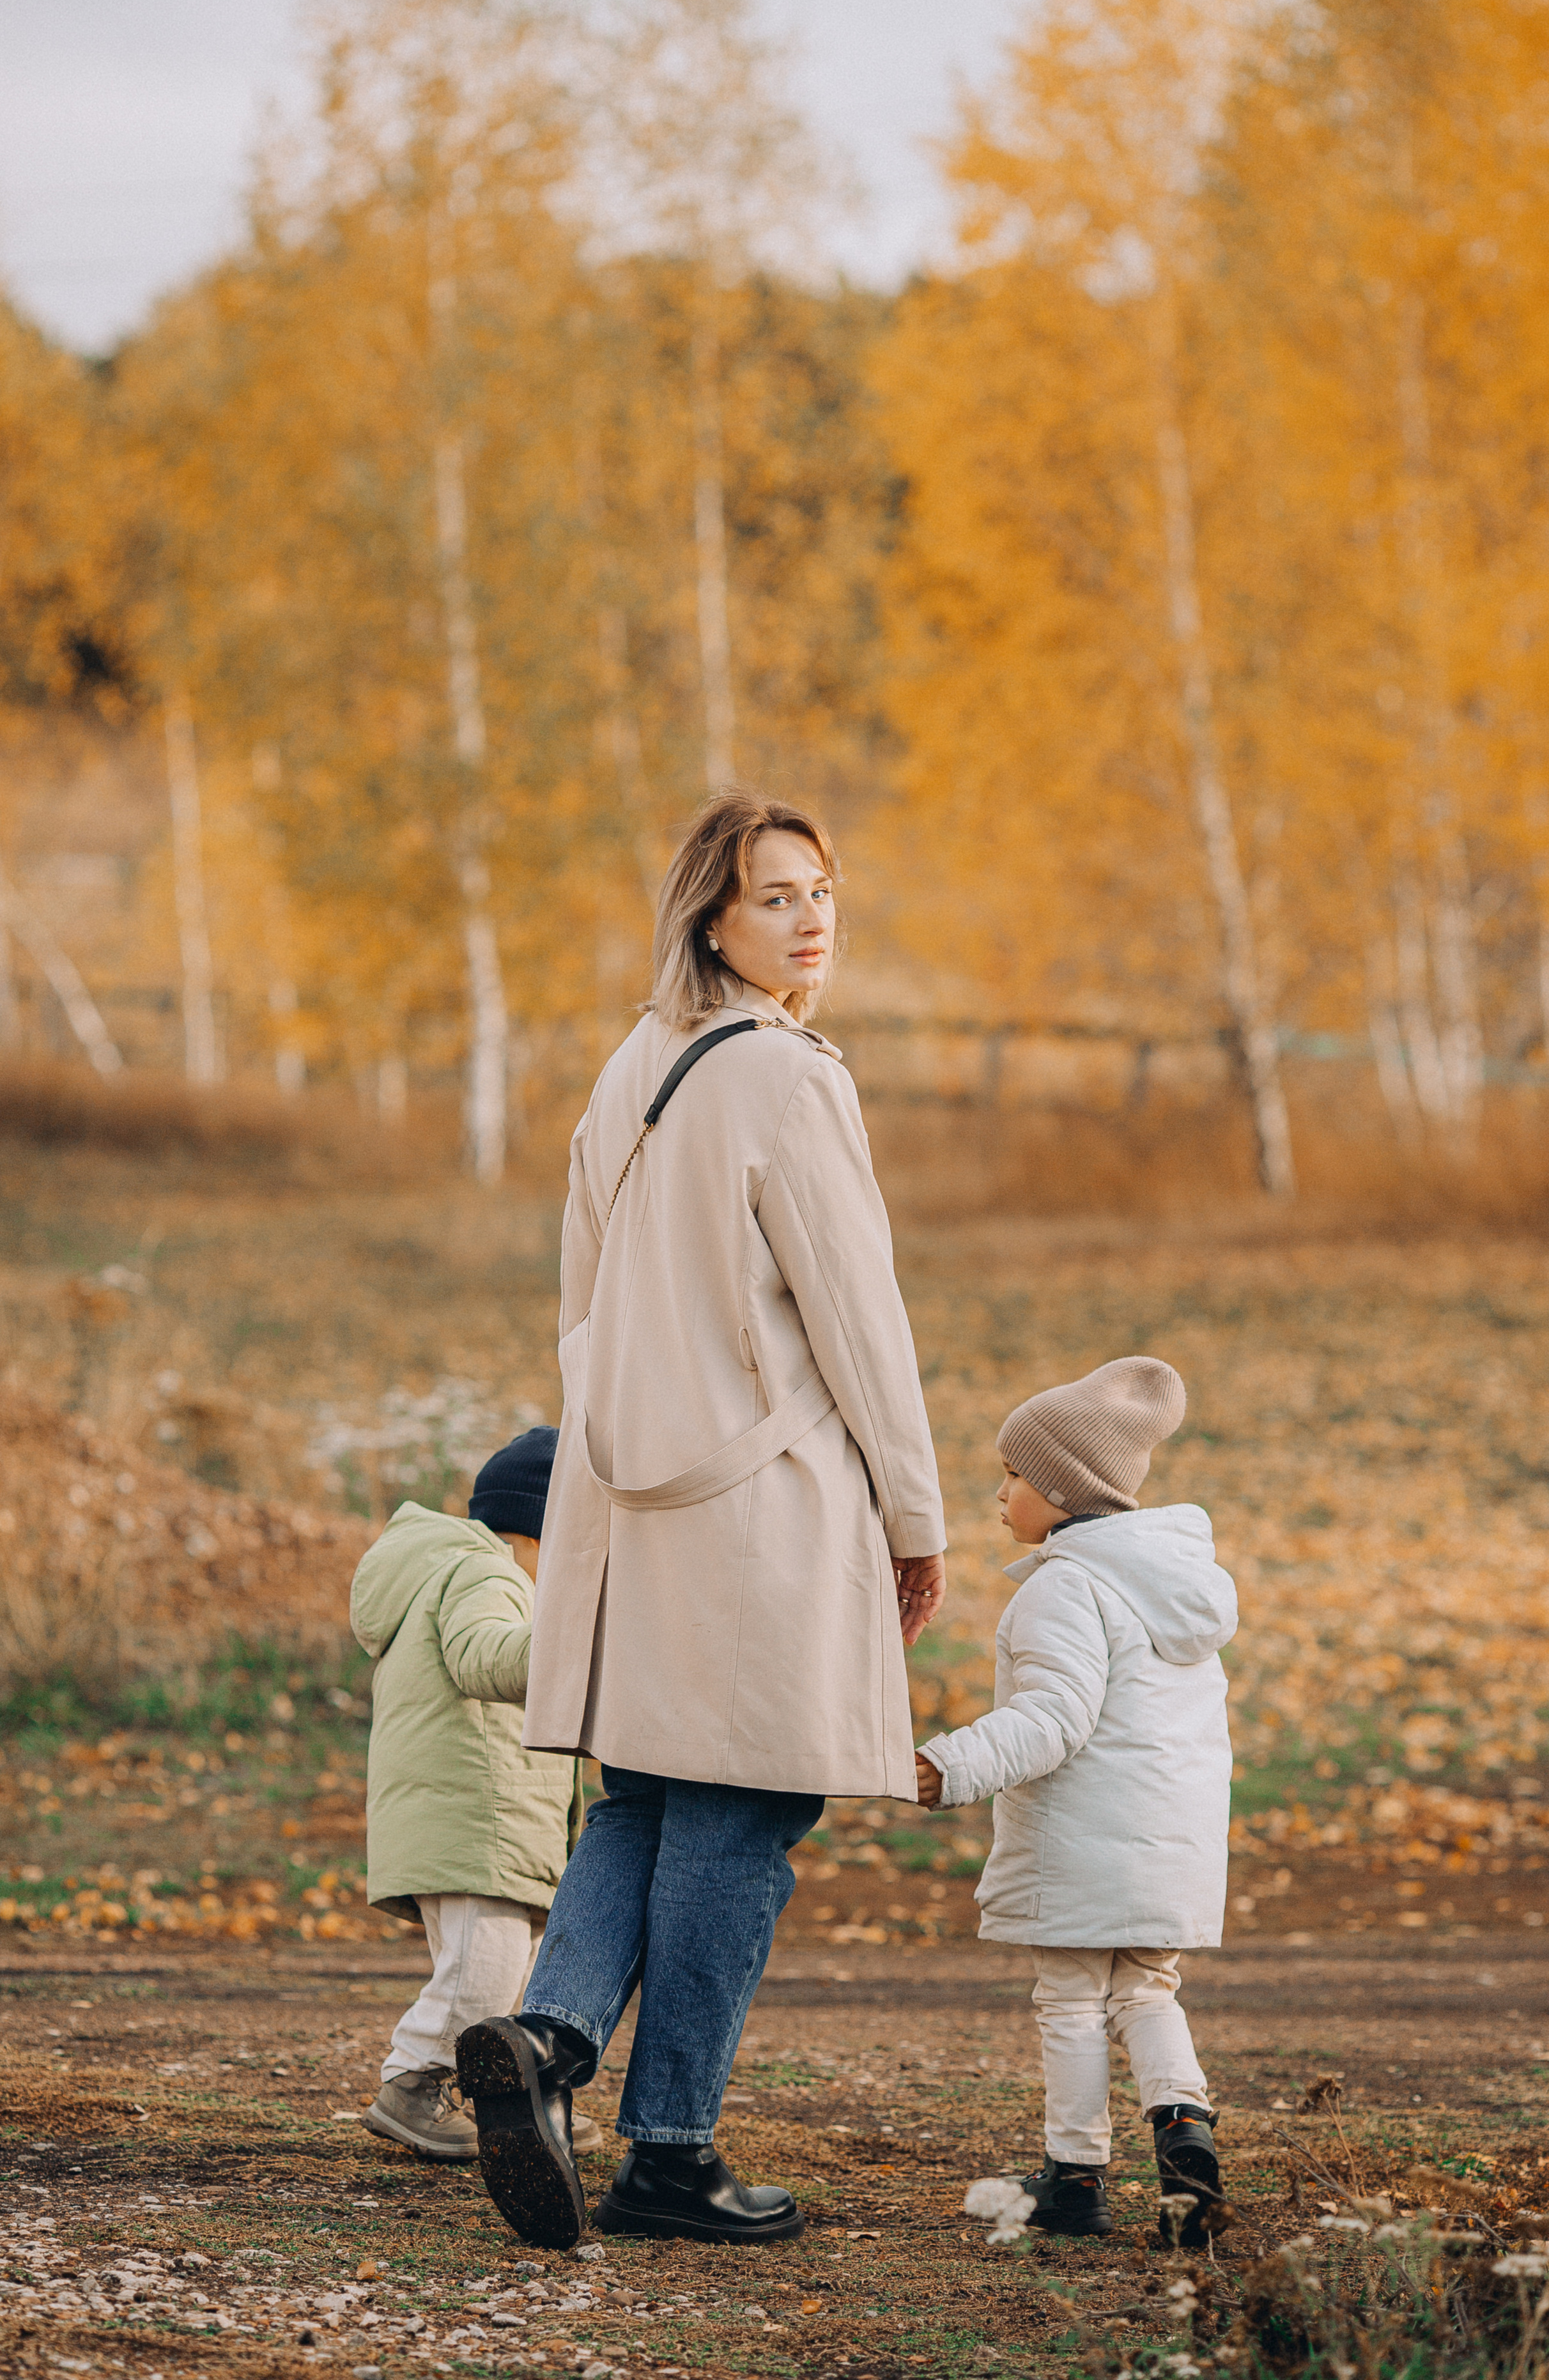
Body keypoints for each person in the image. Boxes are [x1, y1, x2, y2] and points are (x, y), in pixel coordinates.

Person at [456, 788, 946, 2249]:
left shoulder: (629, 1067)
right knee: (744, 1812)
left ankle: (546, 2038)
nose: (810, 920)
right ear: (712, 922)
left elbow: (581, 1312)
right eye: (774, 897)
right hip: (759, 1509)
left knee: (648, 1795)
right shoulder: (787, 1076)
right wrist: (913, 1512)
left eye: (820, 891)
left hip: (629, 1504)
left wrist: (622, 1446)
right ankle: (666, 2151)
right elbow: (858, 1318)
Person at [914, 1357, 1236, 2249]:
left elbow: (1054, 1719)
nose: (999, 1494)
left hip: (1084, 1842)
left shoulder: (1065, 1584)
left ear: (1062, 1490)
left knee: (1068, 1998)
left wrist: (948, 1765)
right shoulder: (1174, 1584)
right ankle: (1183, 2126)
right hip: (1172, 1842)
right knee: (1147, 1989)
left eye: (1013, 1475)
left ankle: (1076, 2176)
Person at [350, 1427, 587, 2161]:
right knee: (482, 1971)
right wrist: (577, 1643)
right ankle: (413, 2084)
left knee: (501, 1966)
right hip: (474, 1814)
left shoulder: (454, 1570)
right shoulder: (487, 1573)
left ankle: (507, 2104)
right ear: (545, 1532)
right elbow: (483, 1656)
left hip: (475, 1814)